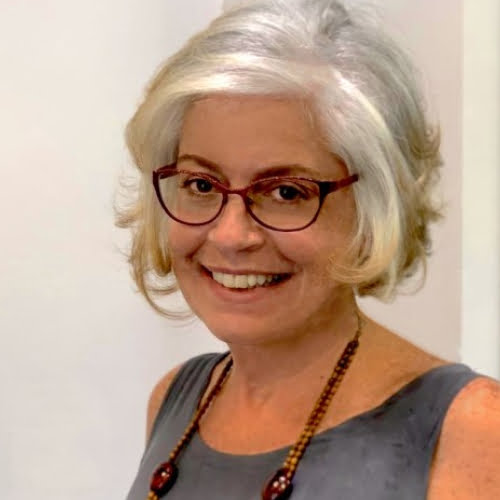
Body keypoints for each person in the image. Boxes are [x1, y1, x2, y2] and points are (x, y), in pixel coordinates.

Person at [119, 1, 500, 498]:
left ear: (374, 207)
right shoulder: (177, 399)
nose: (231, 235)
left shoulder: (473, 430)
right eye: (201, 184)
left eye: (286, 192)